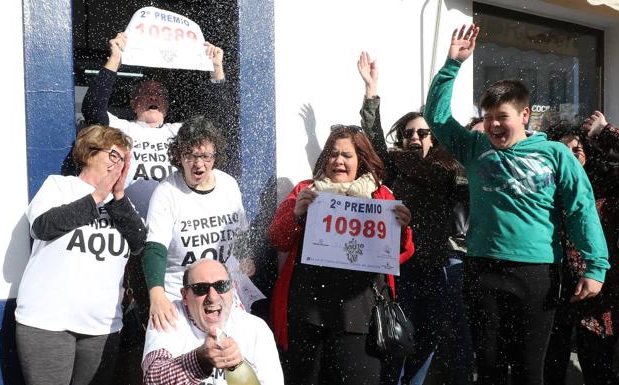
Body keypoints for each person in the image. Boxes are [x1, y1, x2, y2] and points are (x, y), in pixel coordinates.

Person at [423, 24, 610, 384]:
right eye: (488, 116)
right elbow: (438, 118)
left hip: (536, 273)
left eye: (502, 117)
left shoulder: (555, 154)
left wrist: (595, 266)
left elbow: (581, 209)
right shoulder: (475, 148)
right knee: (489, 367)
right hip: (483, 269)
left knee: (529, 370)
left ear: (524, 116)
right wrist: (451, 65)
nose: (493, 124)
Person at [357, 51, 473, 384]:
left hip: (437, 269)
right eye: (409, 133)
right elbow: (374, 140)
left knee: (428, 341)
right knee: (395, 340)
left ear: (433, 139)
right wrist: (371, 91)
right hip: (400, 269)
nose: (414, 138)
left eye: (422, 133)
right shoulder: (392, 167)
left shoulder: (449, 172)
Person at [268, 125, 415, 385]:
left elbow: (401, 254)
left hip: (361, 320)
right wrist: (295, 215)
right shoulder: (307, 191)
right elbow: (277, 239)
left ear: (361, 160)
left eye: (347, 155)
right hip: (308, 317)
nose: (338, 160)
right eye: (333, 154)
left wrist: (402, 230)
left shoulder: (380, 195)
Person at [15, 125, 146, 385]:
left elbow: (139, 242)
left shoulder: (120, 203)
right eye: (113, 155)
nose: (118, 164)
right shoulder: (60, 186)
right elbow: (43, 226)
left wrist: (117, 195)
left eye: (124, 159)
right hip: (47, 324)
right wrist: (97, 196)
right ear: (88, 153)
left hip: (102, 328)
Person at [81, 31, 226, 218]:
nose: (153, 98)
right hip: (127, 222)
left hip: (174, 221)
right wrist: (115, 58)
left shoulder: (179, 131)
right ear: (133, 103)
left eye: (159, 95)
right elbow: (92, 108)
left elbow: (217, 119)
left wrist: (216, 68)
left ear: (166, 106)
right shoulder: (121, 128)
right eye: (146, 94)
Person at [142, 116, 249, 333]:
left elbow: (242, 233)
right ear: (179, 156)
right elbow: (154, 249)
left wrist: (246, 257)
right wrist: (156, 295)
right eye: (190, 156)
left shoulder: (228, 185)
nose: (199, 164)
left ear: (215, 155)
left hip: (222, 293)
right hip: (180, 295)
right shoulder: (167, 192)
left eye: (206, 156)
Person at [544, 113, 619, 385]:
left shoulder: (605, 184)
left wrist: (606, 132)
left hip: (598, 294)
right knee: (550, 367)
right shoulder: (544, 189)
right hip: (554, 289)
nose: (571, 156)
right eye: (563, 151)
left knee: (598, 368)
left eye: (577, 150)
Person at [142, 258, 283, 385]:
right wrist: (200, 360)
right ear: (185, 296)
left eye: (221, 286)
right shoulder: (167, 317)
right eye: (201, 288)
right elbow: (151, 378)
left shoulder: (255, 329)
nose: (213, 297)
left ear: (232, 289)